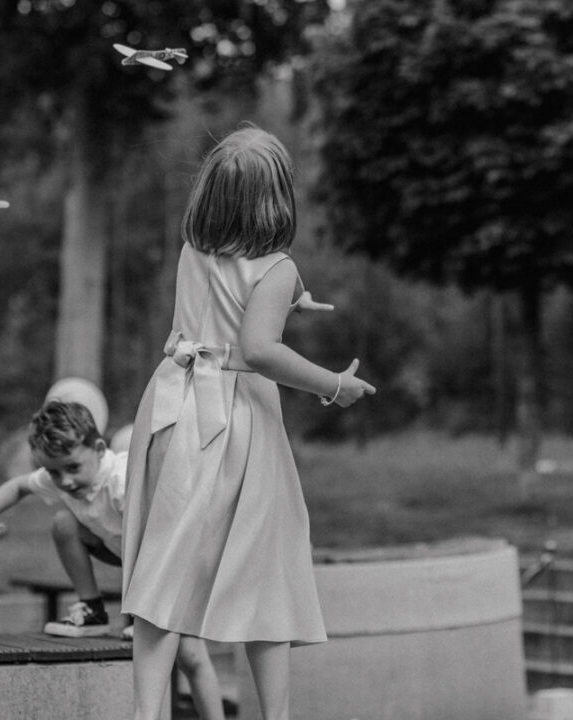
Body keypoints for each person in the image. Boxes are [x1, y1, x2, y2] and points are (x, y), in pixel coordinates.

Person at [122, 125, 377, 720]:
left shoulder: (192, 250)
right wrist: (334, 385)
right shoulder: (278, 267)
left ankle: (144, 712)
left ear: (210, 192)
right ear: (278, 198)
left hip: (170, 405)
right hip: (233, 420)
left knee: (163, 571)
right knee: (265, 567)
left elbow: (222, 301)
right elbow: (259, 350)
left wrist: (286, 300)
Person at [0, 399, 227, 720]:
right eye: (54, 472)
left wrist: (146, 614)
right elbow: (17, 487)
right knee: (64, 524)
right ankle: (93, 609)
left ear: (97, 448)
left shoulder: (123, 483)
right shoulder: (65, 478)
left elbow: (165, 541)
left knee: (191, 655)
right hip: (127, 552)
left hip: (176, 563)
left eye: (72, 468)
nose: (65, 481)